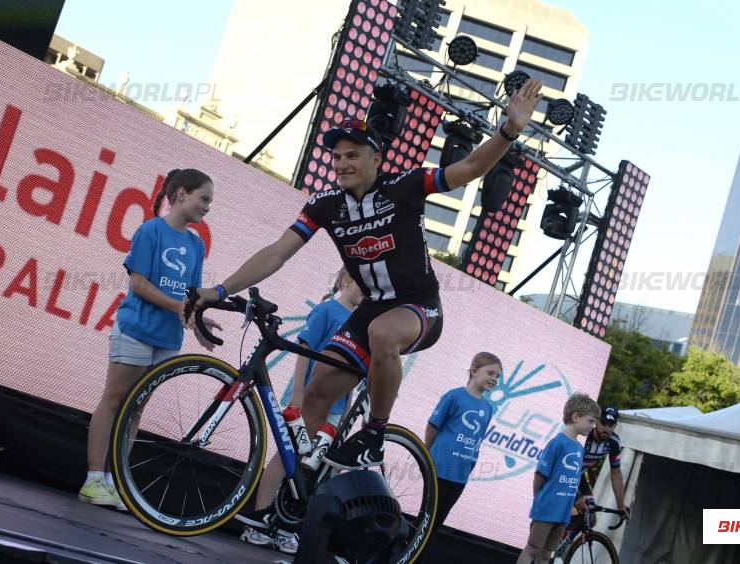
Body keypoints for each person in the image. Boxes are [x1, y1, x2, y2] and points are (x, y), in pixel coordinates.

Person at [191, 78, 543, 470]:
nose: (341, 163)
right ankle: (279, 506)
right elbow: (276, 253)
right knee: (316, 394)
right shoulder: (324, 205)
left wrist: (509, 131)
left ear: (376, 159)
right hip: (373, 310)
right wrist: (220, 289)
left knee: (382, 333)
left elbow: (469, 167)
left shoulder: (406, 186)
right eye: (336, 156)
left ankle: (374, 434)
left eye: (352, 155)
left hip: (419, 307)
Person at [78, 169, 220, 509]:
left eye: (210, 203)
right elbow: (139, 284)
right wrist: (179, 308)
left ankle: (114, 482)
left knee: (136, 408)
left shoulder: (196, 244)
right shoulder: (150, 231)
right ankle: (93, 478)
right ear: (181, 194)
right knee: (114, 399)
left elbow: (191, 296)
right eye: (204, 199)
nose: (207, 208)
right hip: (137, 329)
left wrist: (199, 325)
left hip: (167, 339)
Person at [240, 267, 363, 553]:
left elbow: (352, 373)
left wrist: (344, 413)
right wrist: (297, 394)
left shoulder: (359, 323)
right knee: (287, 457)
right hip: (310, 401)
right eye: (362, 286)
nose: (367, 293)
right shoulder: (326, 311)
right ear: (346, 281)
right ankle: (257, 521)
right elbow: (303, 353)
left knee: (312, 470)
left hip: (335, 409)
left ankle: (285, 527)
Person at [516, 394, 600, 564]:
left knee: (546, 555)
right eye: (591, 421)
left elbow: (572, 480)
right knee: (532, 549)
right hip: (547, 509)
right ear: (576, 417)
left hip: (563, 513)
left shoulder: (578, 448)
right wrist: (540, 499)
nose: (594, 426)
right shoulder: (557, 443)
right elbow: (540, 475)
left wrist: (577, 498)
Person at [424, 352, 500, 528]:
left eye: (498, 376)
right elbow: (432, 427)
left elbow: (477, 440)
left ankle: (421, 555)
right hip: (439, 469)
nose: (495, 379)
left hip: (460, 475)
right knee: (426, 521)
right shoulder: (454, 396)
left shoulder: (488, 408)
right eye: (490, 373)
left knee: (437, 523)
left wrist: (470, 465)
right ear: (474, 371)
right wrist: (427, 455)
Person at [579, 405, 630, 517]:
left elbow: (616, 474)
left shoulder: (614, 442)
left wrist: (620, 506)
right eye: (603, 423)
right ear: (596, 421)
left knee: (591, 517)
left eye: (610, 425)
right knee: (574, 509)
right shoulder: (585, 435)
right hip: (565, 475)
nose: (606, 429)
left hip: (580, 478)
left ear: (615, 426)